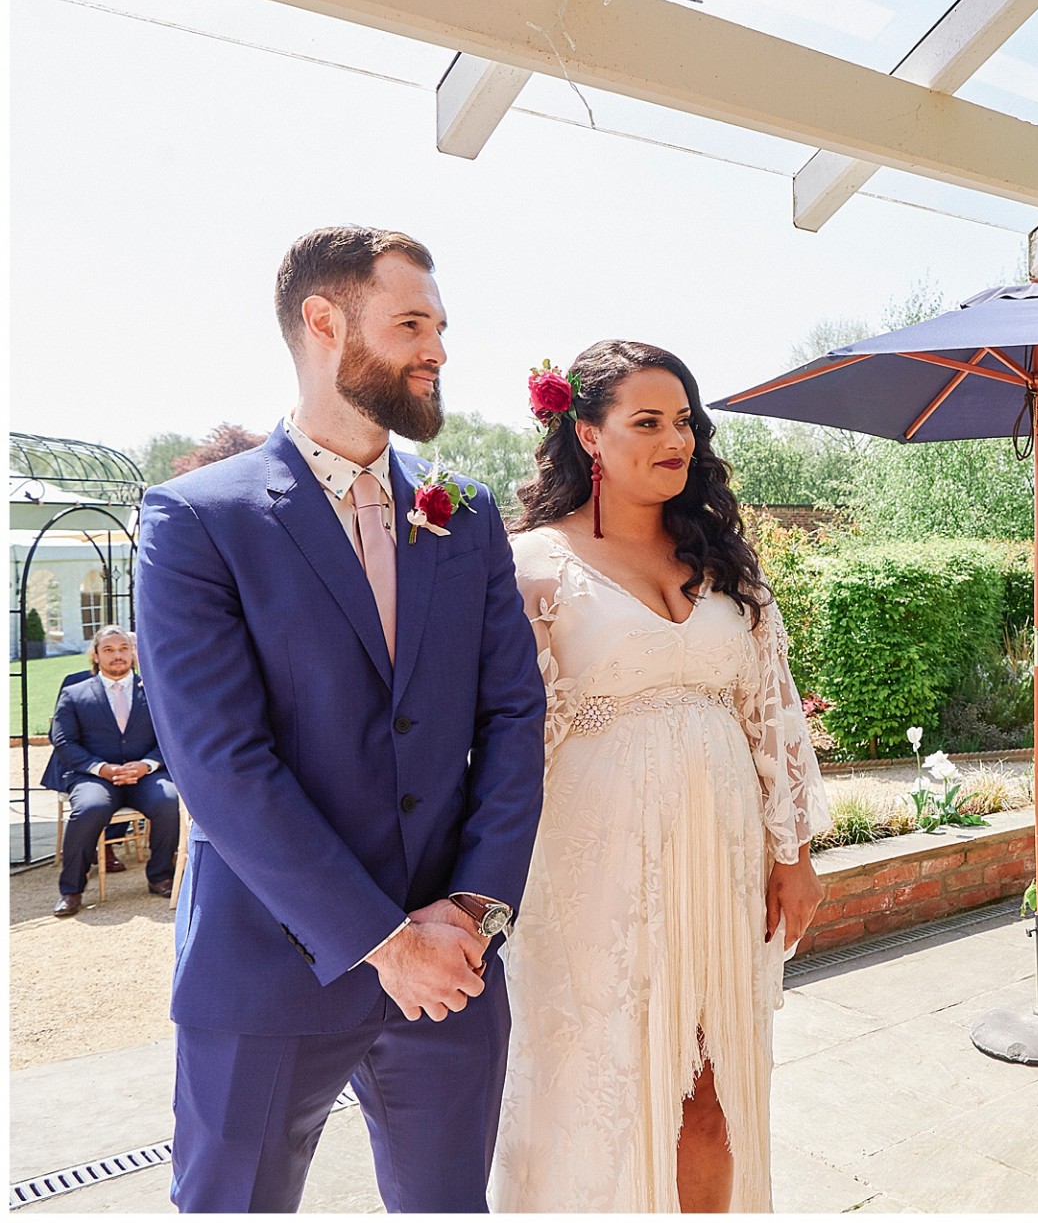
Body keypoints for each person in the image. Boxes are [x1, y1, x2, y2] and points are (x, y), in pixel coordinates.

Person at [134, 226, 546, 1211]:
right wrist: (384, 941)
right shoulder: (197, 521)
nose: (437, 348)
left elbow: (515, 714)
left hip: (452, 974)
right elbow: (220, 765)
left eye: (441, 327)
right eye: (410, 323)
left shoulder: (467, 514)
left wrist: (475, 910)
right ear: (322, 323)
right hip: (267, 977)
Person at [491, 341, 829, 1212]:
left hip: (722, 866)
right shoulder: (529, 567)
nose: (674, 439)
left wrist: (790, 853)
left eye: (683, 421)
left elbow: (771, 712)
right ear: (588, 435)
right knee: (604, 1091)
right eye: (647, 421)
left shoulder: (724, 564)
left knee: (712, 1096)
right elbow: (499, 742)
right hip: (590, 875)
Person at [46, 626, 180, 915]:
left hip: (145, 775)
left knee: (168, 802)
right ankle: (71, 890)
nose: (117, 655)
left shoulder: (157, 691)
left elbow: (171, 736)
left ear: (132, 653)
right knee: (89, 809)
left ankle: (160, 877)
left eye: (123, 648)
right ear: (95, 655)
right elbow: (63, 742)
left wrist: (147, 765)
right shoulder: (74, 693)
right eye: (108, 650)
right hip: (95, 778)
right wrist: (101, 768)